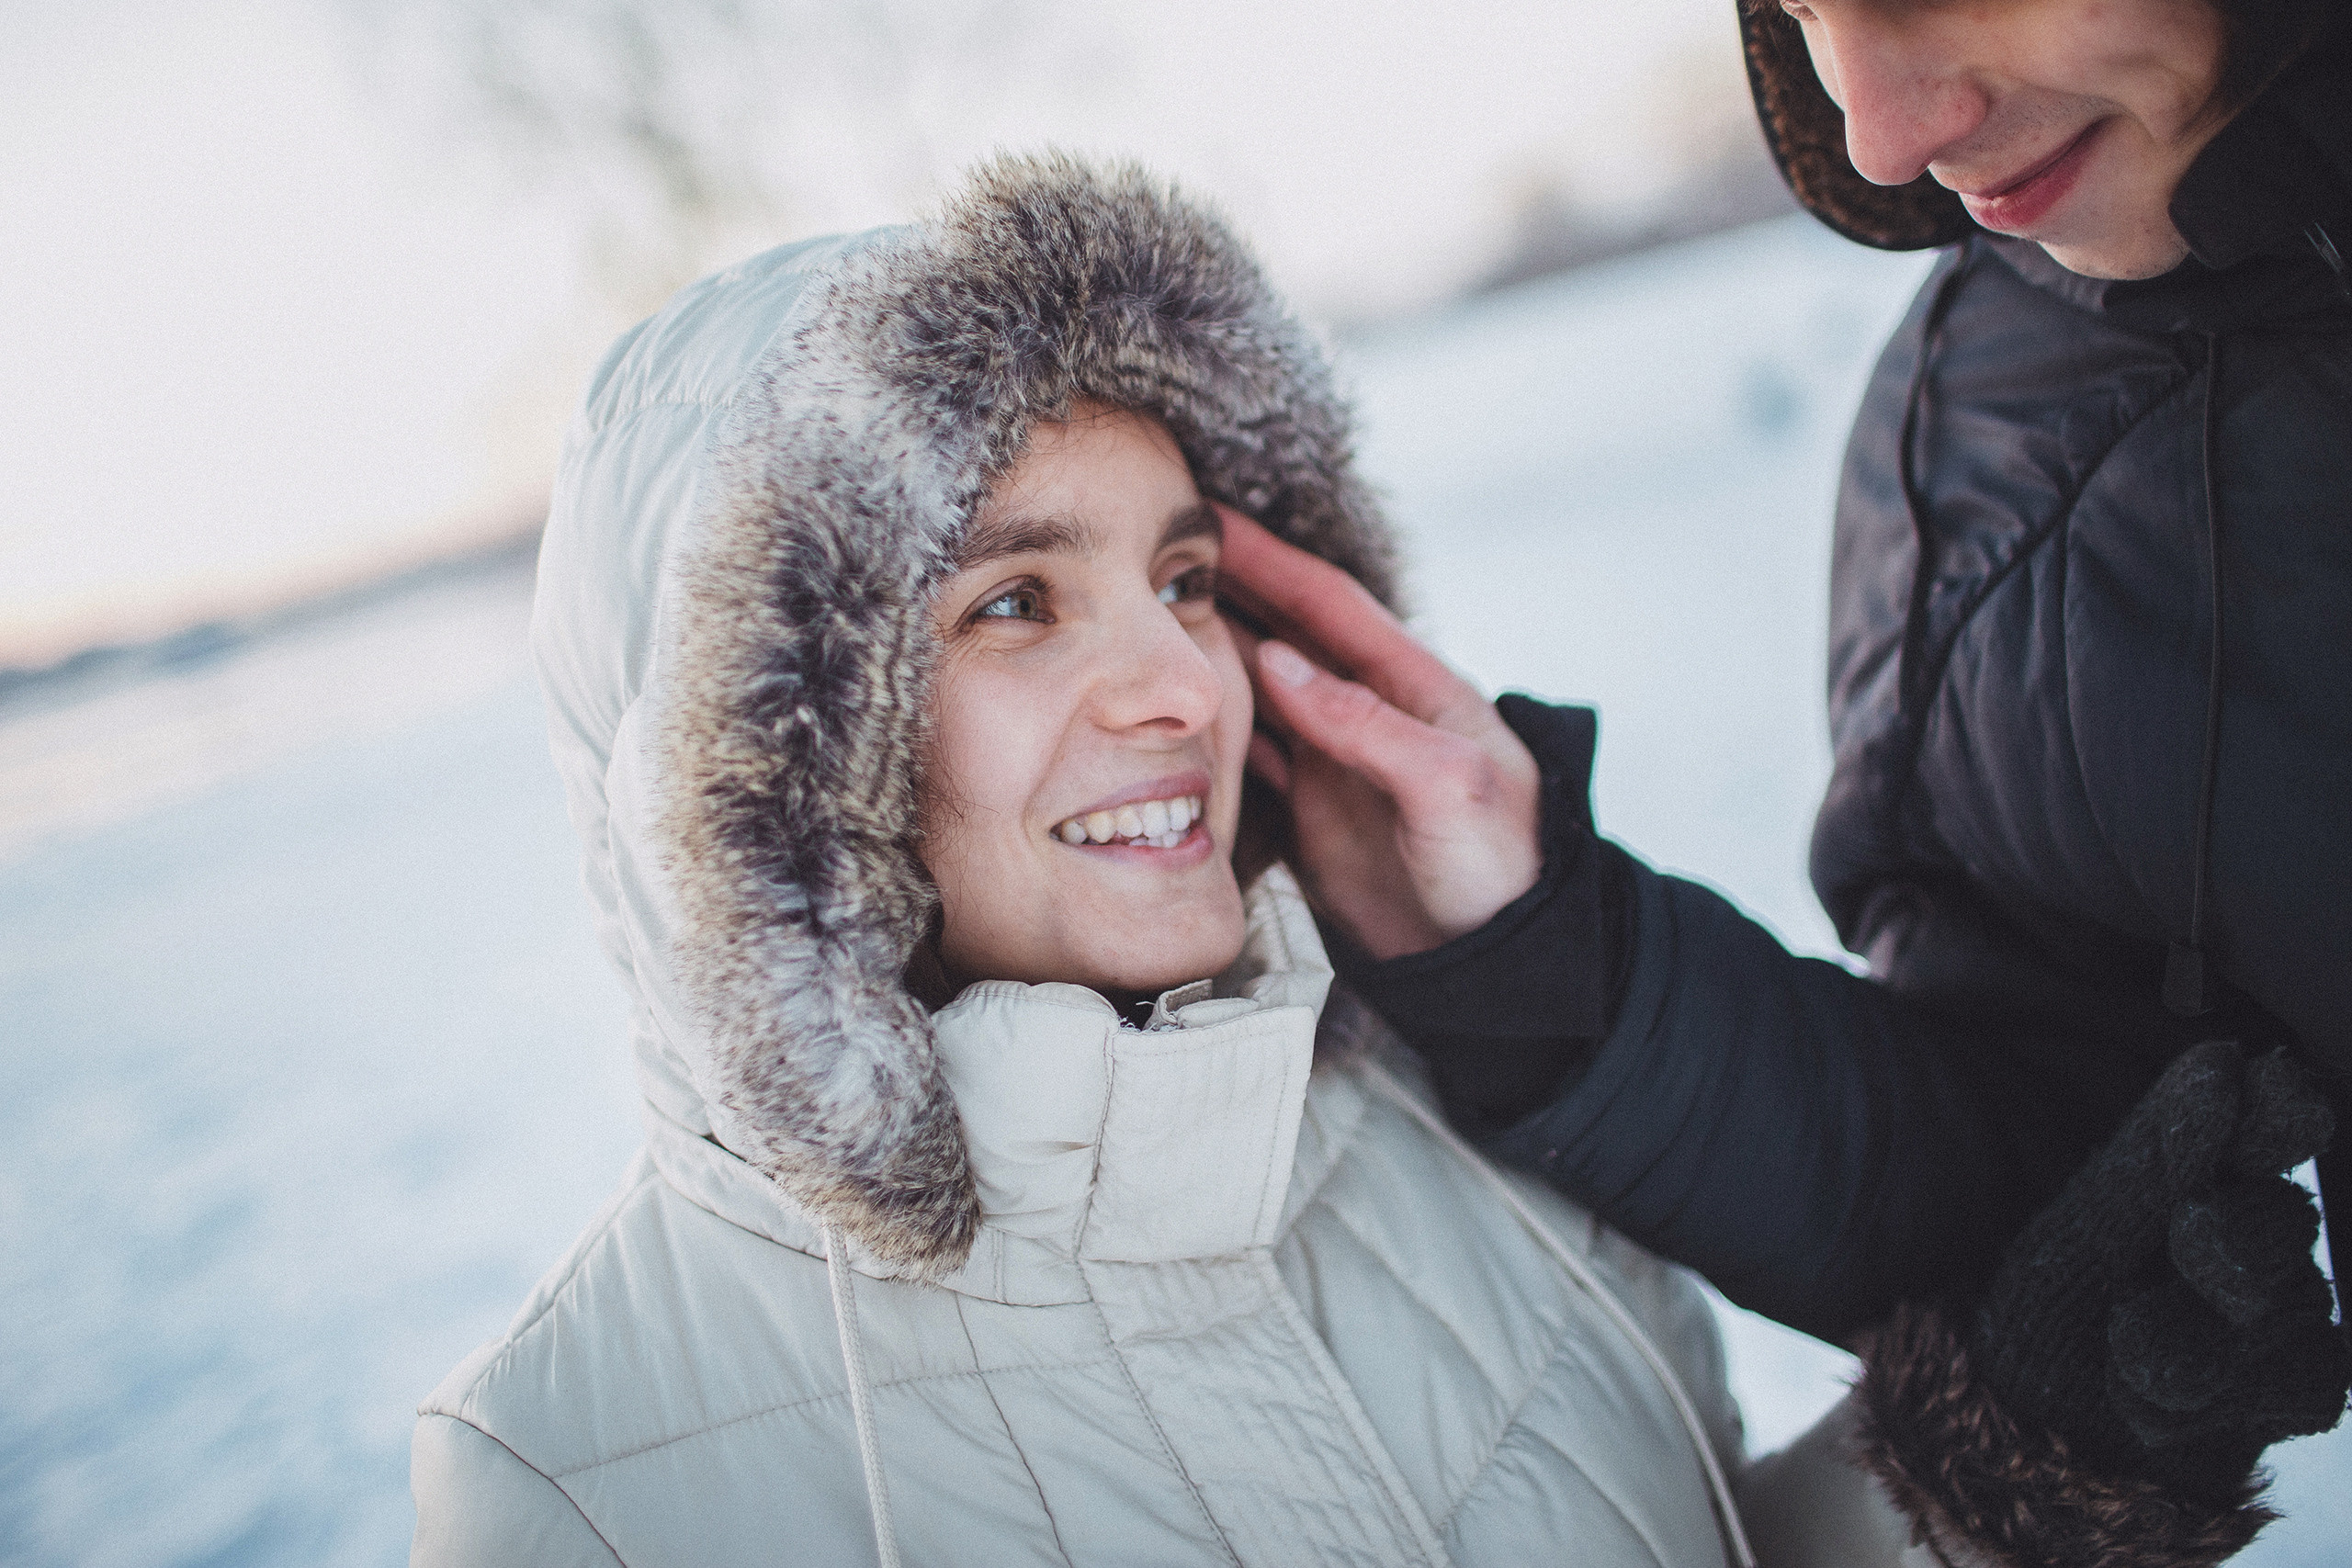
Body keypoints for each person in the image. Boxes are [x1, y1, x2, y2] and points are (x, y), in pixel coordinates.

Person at [408, 153, 1902, 1567]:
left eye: (1184, 580)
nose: (1184, 683)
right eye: (1014, 603)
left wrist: (1995, 1493)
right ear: (785, 750)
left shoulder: (1463, 1122)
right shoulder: (570, 1473)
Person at [1219, 0, 2351, 1562]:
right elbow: (2058, 1121)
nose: (1877, 130)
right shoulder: (2006, 436)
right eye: (1800, 8)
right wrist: (1565, 966)